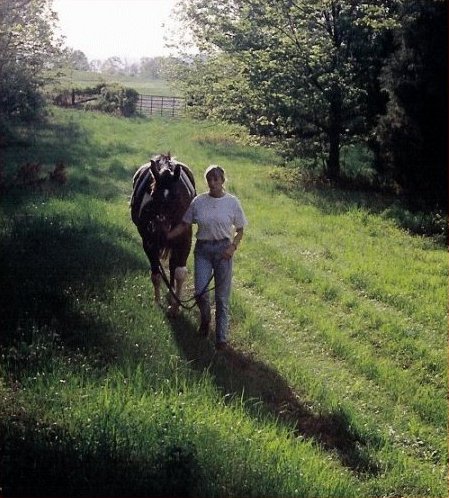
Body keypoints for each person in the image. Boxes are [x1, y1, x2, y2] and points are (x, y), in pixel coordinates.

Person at [166, 165, 248, 351]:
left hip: (223, 251)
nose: (212, 183)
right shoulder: (198, 202)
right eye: (209, 180)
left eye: (216, 179)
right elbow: (185, 224)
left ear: (223, 181)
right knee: (200, 292)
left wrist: (232, 247)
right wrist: (167, 236)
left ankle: (221, 339)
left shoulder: (232, 202)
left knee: (221, 298)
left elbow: (240, 230)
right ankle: (205, 320)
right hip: (202, 250)